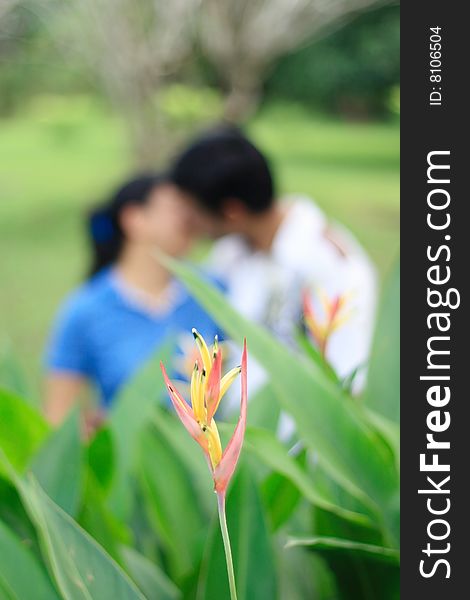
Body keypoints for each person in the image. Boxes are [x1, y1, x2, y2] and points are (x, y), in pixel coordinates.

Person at [170, 127, 377, 396]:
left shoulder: (329, 265)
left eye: (193, 211)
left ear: (232, 211)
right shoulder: (231, 252)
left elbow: (347, 380)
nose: (186, 221)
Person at [44, 173, 223, 428]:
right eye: (176, 208)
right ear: (134, 219)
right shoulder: (85, 310)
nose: (190, 218)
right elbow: (57, 418)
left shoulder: (212, 292)